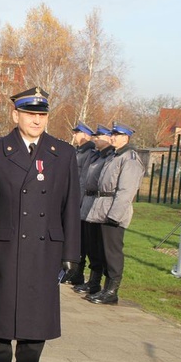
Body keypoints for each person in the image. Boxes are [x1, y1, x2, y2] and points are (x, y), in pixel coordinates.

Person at [0, 86, 81, 362]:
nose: (37, 120)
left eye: (42, 115)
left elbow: (70, 207)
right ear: (15, 115)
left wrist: (72, 254)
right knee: (0, 329)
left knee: (35, 330)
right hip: (6, 251)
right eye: (30, 114)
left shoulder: (63, 153)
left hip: (44, 252)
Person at [84, 122, 144, 305]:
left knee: (112, 253)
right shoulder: (114, 156)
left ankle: (112, 290)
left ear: (126, 137)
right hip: (102, 207)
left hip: (113, 210)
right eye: (113, 134)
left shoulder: (130, 158)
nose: (113, 137)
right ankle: (103, 287)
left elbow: (126, 190)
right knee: (100, 250)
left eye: (117, 135)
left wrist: (115, 215)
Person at [73, 125, 115, 296]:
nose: (96, 139)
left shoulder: (105, 157)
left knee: (100, 248)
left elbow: (85, 182)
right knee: (89, 245)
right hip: (89, 202)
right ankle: (92, 281)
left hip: (96, 203)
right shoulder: (96, 156)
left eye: (99, 136)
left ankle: (100, 284)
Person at [63, 122, 96, 285]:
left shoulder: (88, 152)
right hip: (72, 198)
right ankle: (72, 273)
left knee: (81, 240)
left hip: (80, 201)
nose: (74, 135)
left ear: (85, 135)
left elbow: (82, 180)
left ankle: (77, 274)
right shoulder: (78, 151)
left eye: (77, 133)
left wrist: (77, 202)